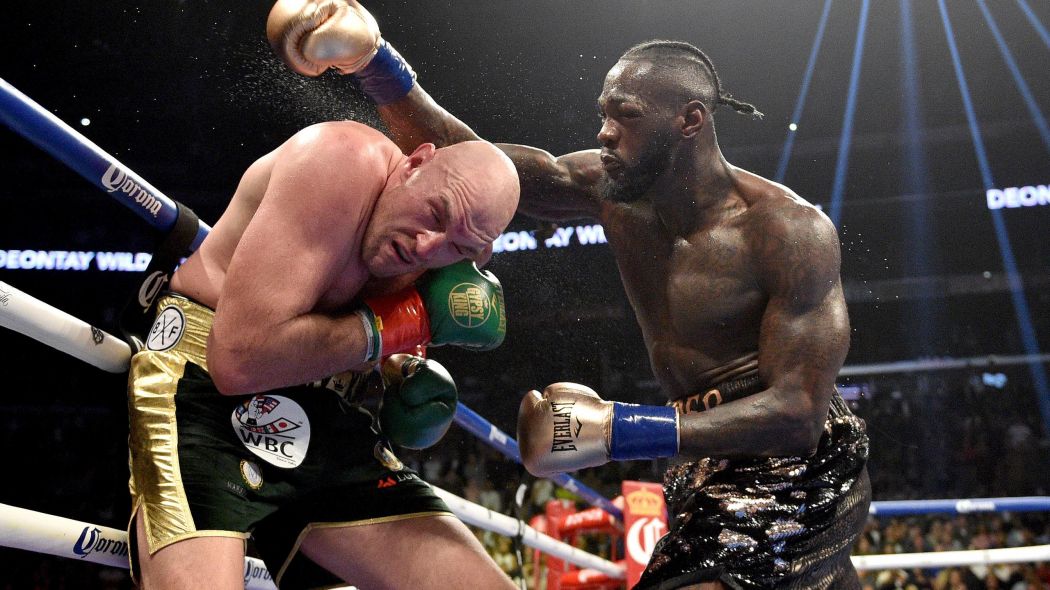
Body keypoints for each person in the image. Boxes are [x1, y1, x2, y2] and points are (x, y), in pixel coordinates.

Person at [266, 2, 871, 588]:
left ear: (690, 121)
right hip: (701, 459)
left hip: (796, 464)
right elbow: (480, 168)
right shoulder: (610, 190)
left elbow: (798, 413)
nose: (605, 132)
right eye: (604, 113)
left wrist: (615, 430)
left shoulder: (787, 231)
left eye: (626, 115)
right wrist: (374, 63)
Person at [127, 116, 521, 589]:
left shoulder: (449, 251)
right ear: (416, 162)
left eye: (457, 245)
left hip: (324, 412)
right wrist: (392, 327)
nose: (426, 246)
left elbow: (373, 335)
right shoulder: (338, 160)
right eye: (436, 213)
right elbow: (235, 361)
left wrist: (404, 369)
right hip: (203, 391)